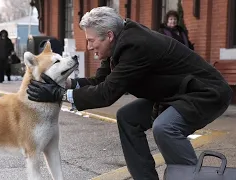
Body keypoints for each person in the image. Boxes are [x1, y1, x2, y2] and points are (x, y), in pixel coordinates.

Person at [26, 7, 232, 180]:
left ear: (109, 36)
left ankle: (189, 177)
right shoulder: (117, 43)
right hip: (176, 94)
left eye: (91, 41)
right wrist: (65, 83)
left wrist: (58, 95)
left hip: (205, 93)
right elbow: (100, 81)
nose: (89, 47)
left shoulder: (135, 46)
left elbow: (106, 93)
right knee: (128, 118)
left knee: (165, 127)